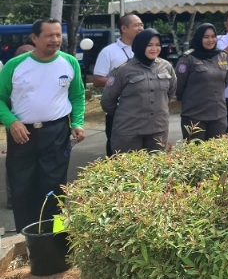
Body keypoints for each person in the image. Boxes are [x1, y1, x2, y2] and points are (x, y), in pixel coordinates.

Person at [0, 19, 85, 232]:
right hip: (22, 135)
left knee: (55, 190)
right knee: (22, 189)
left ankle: (55, 236)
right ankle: (26, 239)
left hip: (56, 134)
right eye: (49, 35)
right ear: (34, 38)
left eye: (58, 35)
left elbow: (77, 95)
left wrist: (77, 122)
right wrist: (11, 122)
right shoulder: (15, 65)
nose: (55, 40)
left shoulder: (69, 62)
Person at [101, 29, 177, 153]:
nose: (154, 49)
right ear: (140, 45)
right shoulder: (123, 70)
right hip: (129, 132)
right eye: (149, 45)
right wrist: (126, 115)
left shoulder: (166, 67)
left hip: (158, 129)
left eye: (157, 45)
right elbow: (107, 101)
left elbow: (171, 92)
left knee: (156, 169)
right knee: (129, 170)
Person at [92, 12, 144, 156]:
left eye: (142, 25)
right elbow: (97, 79)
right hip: (119, 111)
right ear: (124, 29)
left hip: (143, 110)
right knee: (118, 153)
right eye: (136, 25)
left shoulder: (146, 50)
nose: (140, 28)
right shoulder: (109, 52)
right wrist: (122, 84)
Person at [175, 23, 228, 141]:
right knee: (195, 155)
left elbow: (225, 82)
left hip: (218, 116)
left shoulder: (222, 56)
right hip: (194, 116)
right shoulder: (187, 59)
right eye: (206, 37)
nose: (210, 40)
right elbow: (178, 87)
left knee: (217, 155)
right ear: (199, 38)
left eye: (213, 36)